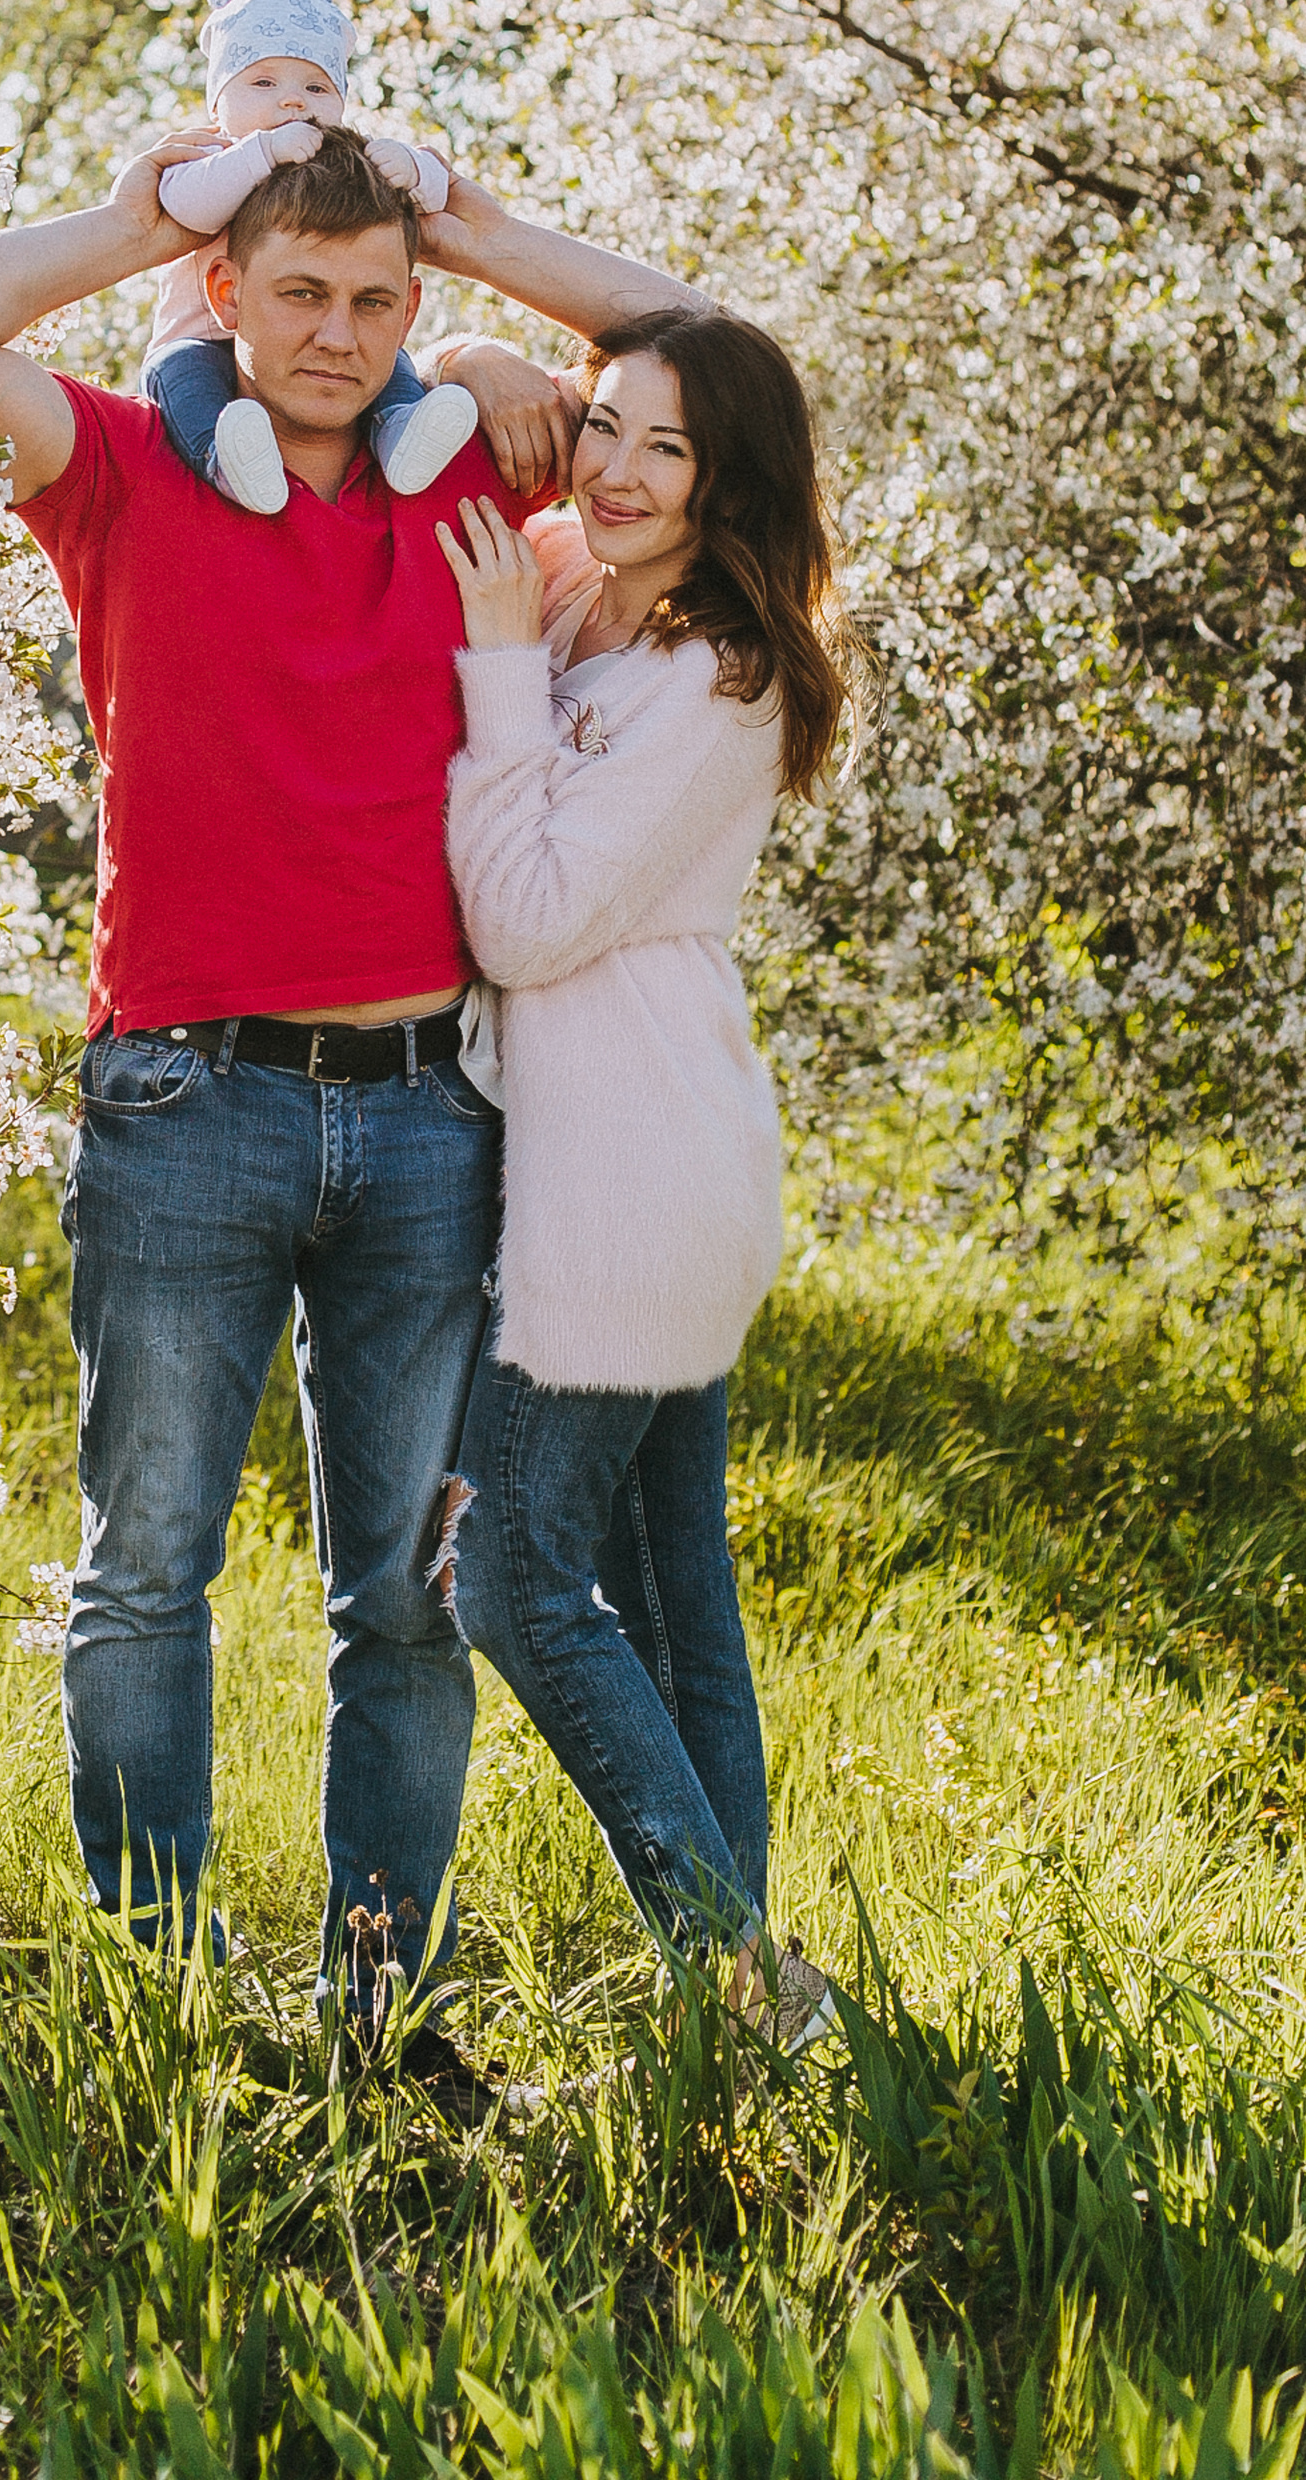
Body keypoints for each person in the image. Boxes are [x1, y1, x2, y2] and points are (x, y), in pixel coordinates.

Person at [0, 119, 685, 2053]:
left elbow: (696, 357)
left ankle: (377, 2013)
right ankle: (154, 1997)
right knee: (148, 1568)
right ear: (222, 296)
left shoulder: (480, 464)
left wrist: (488, 247)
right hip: (186, 1101)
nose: (333, 333)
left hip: (426, 1114)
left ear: (418, 311)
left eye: (377, 300)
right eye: (295, 293)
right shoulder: (129, 468)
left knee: (403, 1599)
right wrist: (131, 218)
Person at [432, 308, 852, 2052]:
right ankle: (741, 2011)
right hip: (653, 1146)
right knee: (682, 1614)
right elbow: (522, 369)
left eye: (663, 449)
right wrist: (464, 335)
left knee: (515, 1577)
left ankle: (743, 1976)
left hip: (625, 1172)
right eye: (603, 424)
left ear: (727, 485)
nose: (610, 468)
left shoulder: (713, 674)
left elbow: (527, 923)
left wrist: (498, 670)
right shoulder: (596, 583)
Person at [145, 0, 476, 514]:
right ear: (218, 104)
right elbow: (185, 203)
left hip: (293, 359)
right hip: (200, 343)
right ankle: (223, 460)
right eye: (263, 82)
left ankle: (400, 435)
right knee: (176, 376)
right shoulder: (210, 155)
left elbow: (437, 194)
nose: (293, 101)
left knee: (392, 365)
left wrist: (416, 171)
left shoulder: (342, 165)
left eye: (316, 86)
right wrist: (264, 154)